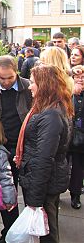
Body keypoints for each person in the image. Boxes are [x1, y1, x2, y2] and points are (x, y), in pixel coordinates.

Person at [15, 64, 73, 243]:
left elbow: (44, 158)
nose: (30, 86)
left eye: (33, 82)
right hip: (40, 180)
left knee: (46, 232)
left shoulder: (50, 115)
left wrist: (35, 199)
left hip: (42, 184)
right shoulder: (48, 109)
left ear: (45, 85)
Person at [0, 55, 33, 241]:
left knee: (29, 191)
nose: (6, 82)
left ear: (16, 72)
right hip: (2, 150)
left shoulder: (28, 88)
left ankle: (29, 230)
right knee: (6, 193)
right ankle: (10, 231)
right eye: (2, 78)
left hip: (25, 148)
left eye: (10, 78)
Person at [68, 65, 84, 209]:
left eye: (83, 77)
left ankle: (75, 194)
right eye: (78, 77)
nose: (80, 79)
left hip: (81, 138)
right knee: (62, 164)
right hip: (67, 135)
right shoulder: (66, 92)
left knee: (78, 168)